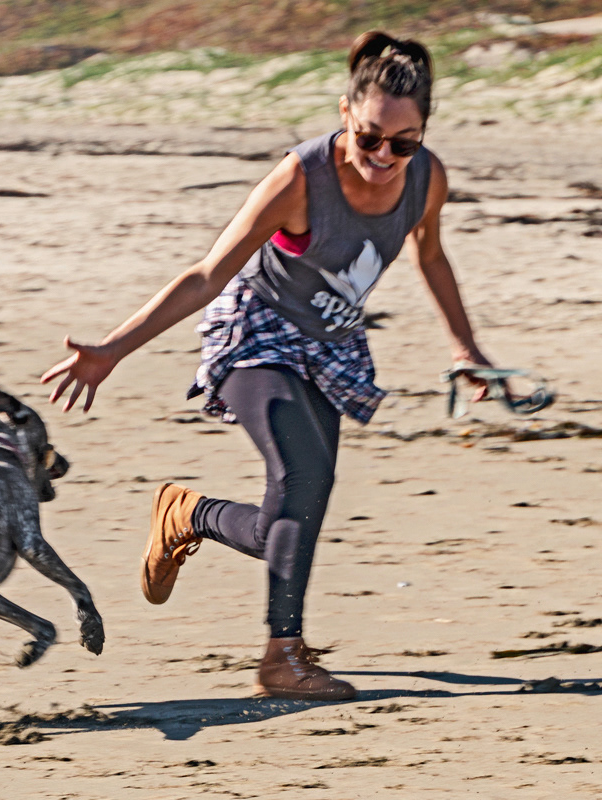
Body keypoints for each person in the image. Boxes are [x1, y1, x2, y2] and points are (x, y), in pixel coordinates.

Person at [41, 31, 495, 701]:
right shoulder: (301, 179)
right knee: (304, 474)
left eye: (403, 143)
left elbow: (431, 255)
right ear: (345, 113)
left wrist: (464, 348)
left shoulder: (426, 178)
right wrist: (113, 348)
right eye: (369, 137)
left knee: (294, 511)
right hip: (256, 330)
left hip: (332, 344)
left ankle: (188, 514)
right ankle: (282, 657)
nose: (383, 156)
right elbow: (207, 274)